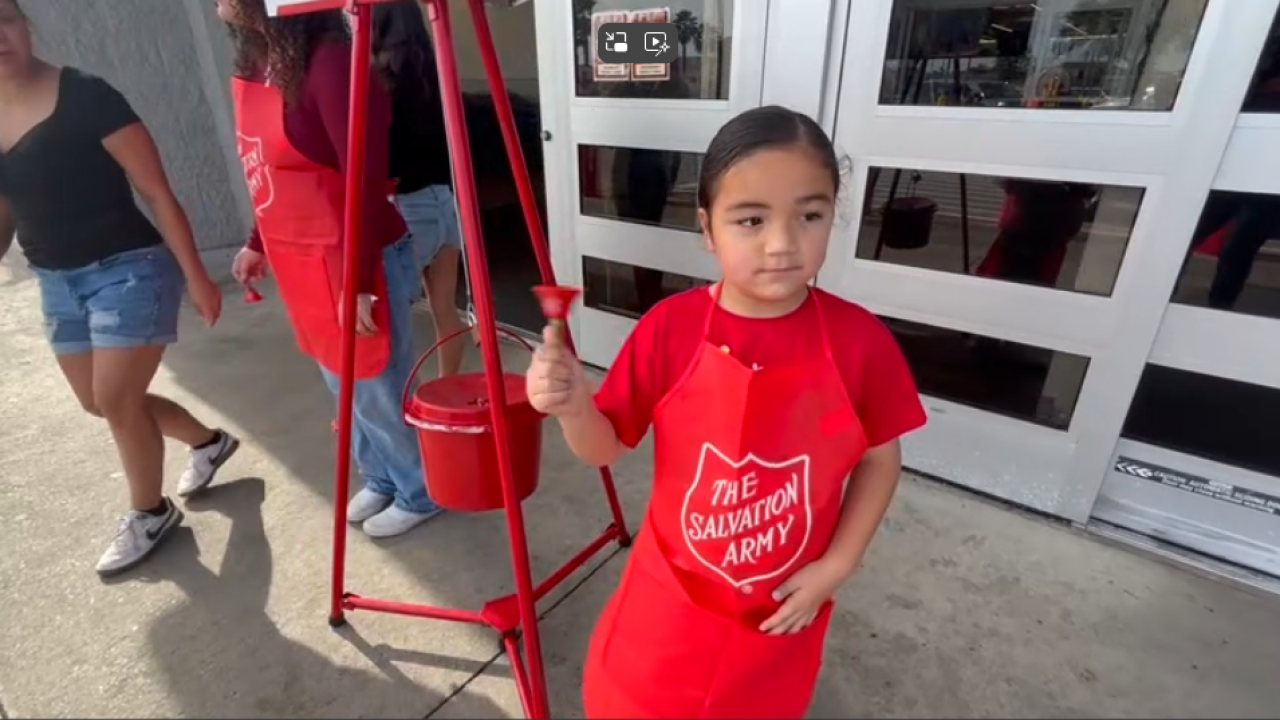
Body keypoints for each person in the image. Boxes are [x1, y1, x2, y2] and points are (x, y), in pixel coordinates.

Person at [526, 105, 928, 718]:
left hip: (783, 603)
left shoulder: (859, 341)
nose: (782, 244)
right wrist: (575, 406)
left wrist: (837, 566)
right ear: (708, 229)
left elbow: (879, 458)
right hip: (671, 596)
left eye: (810, 215)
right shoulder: (670, 328)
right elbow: (603, 447)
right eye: (750, 219)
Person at [0, 0, 240, 576]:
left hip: (128, 267)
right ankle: (208, 442)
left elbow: (156, 190)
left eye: (4, 19)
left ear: (25, 24)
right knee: (99, 402)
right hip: (56, 280)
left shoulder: (86, 94)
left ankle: (149, 511)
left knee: (115, 400)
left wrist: (200, 278)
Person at [216, 0, 442, 537]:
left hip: (356, 254)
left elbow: (364, 177)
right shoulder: (263, 61)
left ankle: (418, 489)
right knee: (344, 384)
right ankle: (382, 477)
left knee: (376, 384)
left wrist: (361, 282)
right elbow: (267, 164)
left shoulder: (331, 63)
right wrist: (257, 242)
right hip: (305, 259)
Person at [372, 0, 467, 378]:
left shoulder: (378, 81)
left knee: (392, 319)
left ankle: (399, 411)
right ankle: (449, 389)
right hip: (444, 202)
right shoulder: (437, 72)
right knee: (445, 309)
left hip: (407, 208)